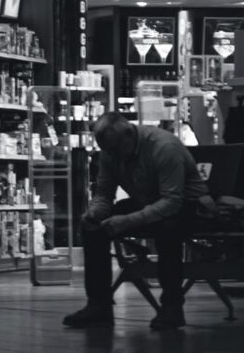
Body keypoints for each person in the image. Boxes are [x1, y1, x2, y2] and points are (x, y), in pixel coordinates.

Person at [63, 111, 206, 332]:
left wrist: (127, 221)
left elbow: (171, 202)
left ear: (130, 134)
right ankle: (98, 305)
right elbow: (104, 192)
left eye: (116, 149)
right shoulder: (112, 151)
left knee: (168, 231)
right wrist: (96, 213)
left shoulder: (164, 148)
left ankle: (172, 307)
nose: (114, 156)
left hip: (188, 206)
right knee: (92, 228)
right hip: (148, 200)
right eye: (108, 150)